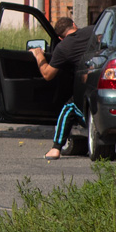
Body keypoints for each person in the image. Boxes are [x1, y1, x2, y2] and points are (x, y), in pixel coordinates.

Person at [31, 16, 86, 159]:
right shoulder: (93, 31)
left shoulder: (63, 47)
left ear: (60, 38)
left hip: (89, 90)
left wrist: (38, 55)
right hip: (110, 84)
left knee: (70, 107)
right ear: (74, 25)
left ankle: (56, 148)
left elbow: (47, 74)